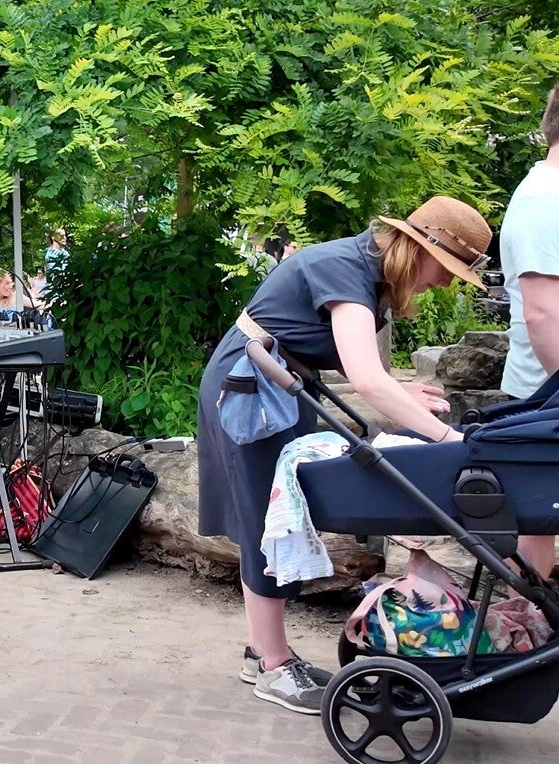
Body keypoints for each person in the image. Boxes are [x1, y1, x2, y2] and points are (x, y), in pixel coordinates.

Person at [198, 195, 492, 715]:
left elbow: (344, 359)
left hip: (281, 383)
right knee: (267, 517)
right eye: (447, 268)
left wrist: (402, 393)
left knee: (276, 512)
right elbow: (368, 378)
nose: (447, 282)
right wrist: (450, 440)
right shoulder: (345, 269)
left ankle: (263, 651)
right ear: (418, 248)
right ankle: (273, 665)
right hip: (253, 389)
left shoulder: (366, 271)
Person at [500, 81, 559, 582]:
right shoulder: (546, 202)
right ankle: (529, 616)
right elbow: (542, 314)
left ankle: (531, 617)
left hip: (546, 392)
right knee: (538, 518)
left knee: (541, 520)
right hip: (547, 392)